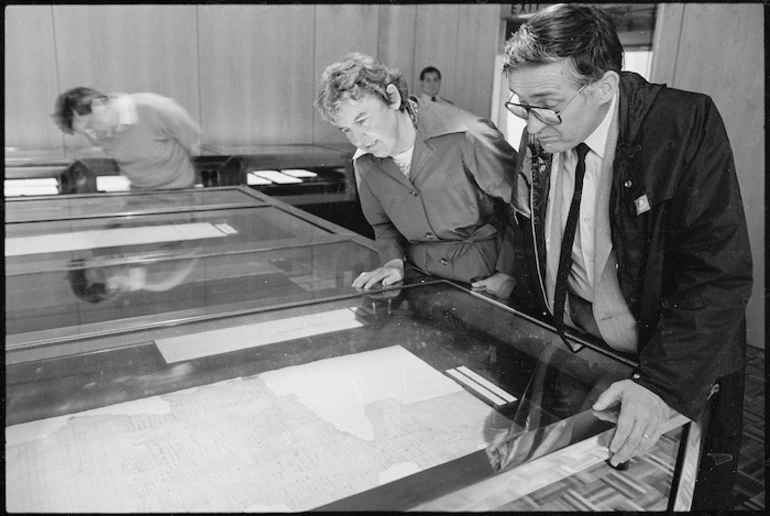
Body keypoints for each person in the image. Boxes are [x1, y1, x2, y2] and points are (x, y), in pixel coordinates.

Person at [500, 4, 752, 510]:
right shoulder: (544, 131)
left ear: (605, 88)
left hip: (671, 356)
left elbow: (718, 272)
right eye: (519, 105)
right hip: (583, 347)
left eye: (544, 104)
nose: (530, 125)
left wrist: (661, 385)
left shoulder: (682, 123)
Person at [315, 53, 517, 296]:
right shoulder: (364, 163)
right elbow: (383, 226)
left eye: (363, 120)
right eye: (347, 129)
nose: (359, 140)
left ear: (392, 97)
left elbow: (523, 208)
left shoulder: (468, 135)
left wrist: (509, 273)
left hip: (489, 283)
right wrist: (393, 261)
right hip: (423, 282)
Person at [52, 87, 201, 190]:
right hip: (138, 193)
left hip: (180, 192)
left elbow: (192, 140)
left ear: (99, 105)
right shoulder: (100, 131)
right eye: (84, 132)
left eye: (91, 125)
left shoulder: (154, 108)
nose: (92, 137)